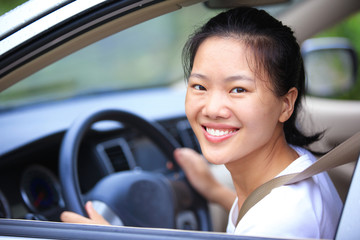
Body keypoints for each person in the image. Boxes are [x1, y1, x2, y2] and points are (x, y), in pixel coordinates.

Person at [61, 6, 343, 239]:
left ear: (286, 104)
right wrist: (214, 191)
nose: (212, 108)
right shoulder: (296, 167)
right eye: (199, 86)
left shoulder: (281, 221)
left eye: (238, 90)